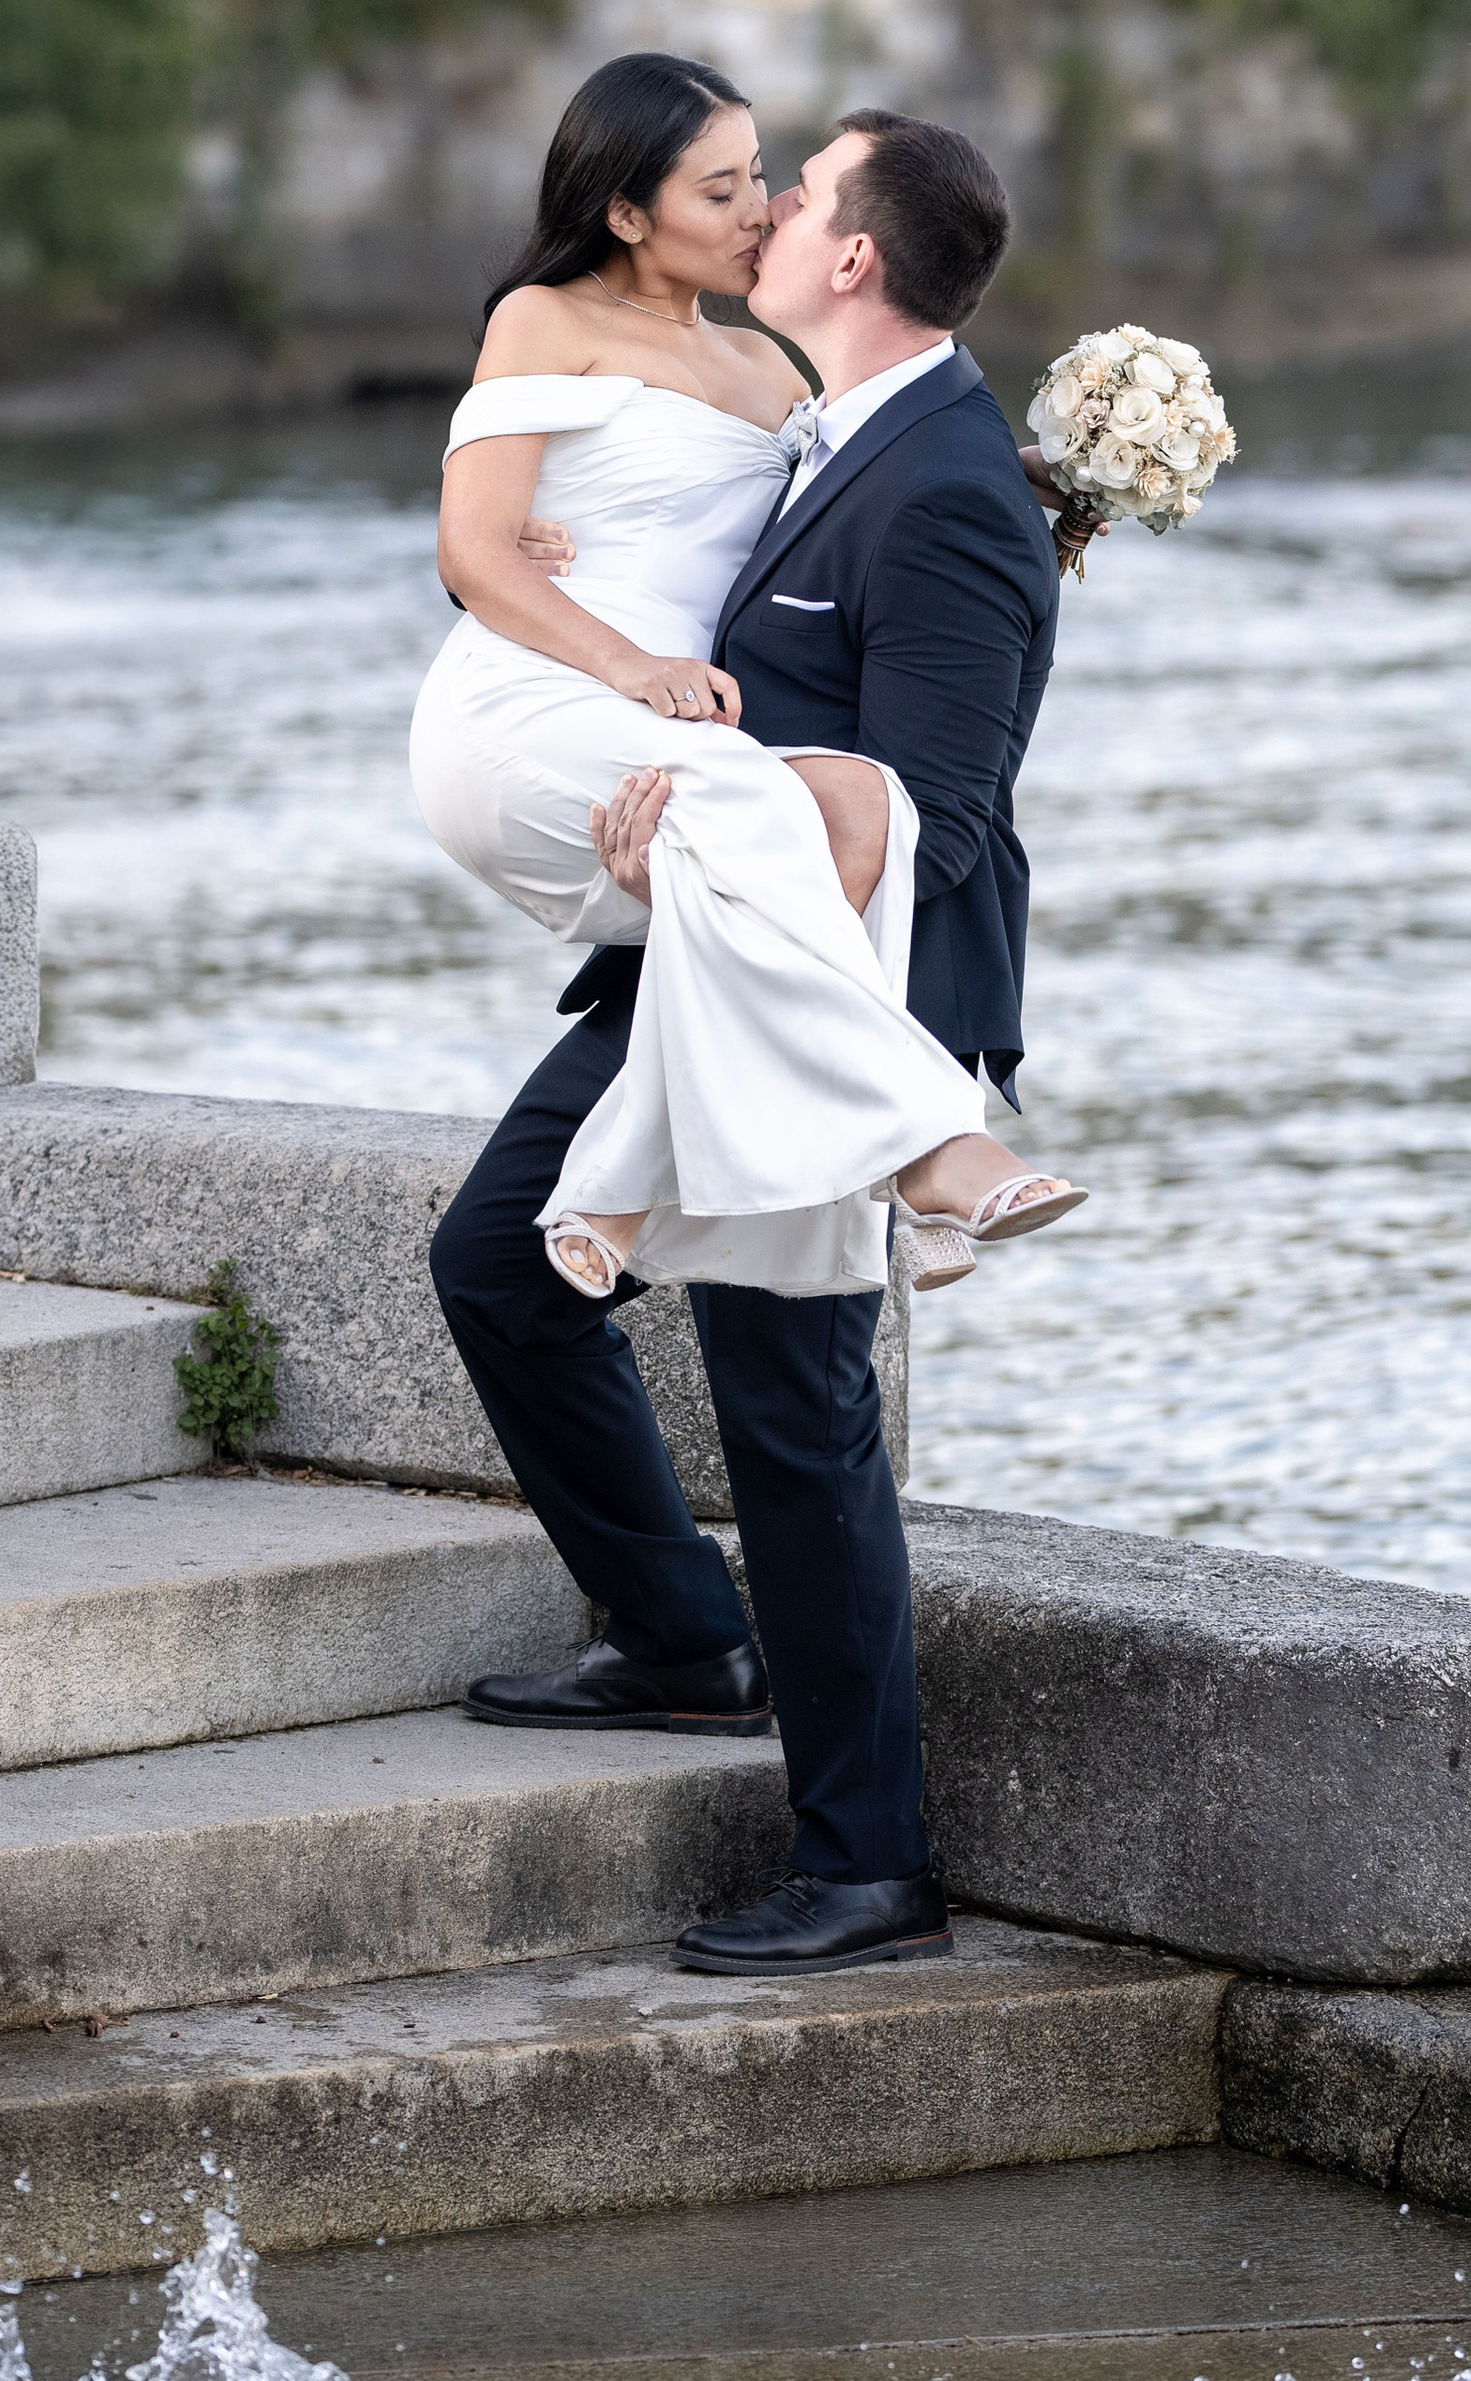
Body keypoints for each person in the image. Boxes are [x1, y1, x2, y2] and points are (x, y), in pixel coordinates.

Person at [422, 59, 1073, 1974]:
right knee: (501, 1265)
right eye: (739, 183)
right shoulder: (822, 427)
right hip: (701, 946)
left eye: (795, 192)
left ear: (850, 255)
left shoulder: (944, 486)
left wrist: (725, 791)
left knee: (795, 1413)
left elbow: (940, 816)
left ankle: (870, 1864)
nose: (768, 206)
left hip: (834, 992)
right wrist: (621, 688)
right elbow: (628, 563)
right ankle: (679, 1639)